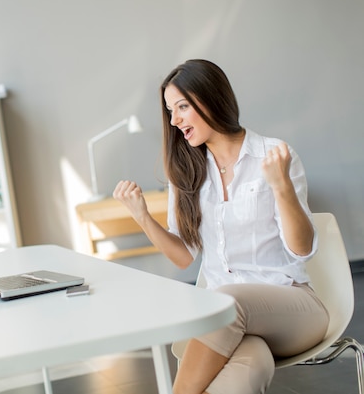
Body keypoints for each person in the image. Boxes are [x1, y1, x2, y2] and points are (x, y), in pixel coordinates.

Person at [113, 59, 329, 394]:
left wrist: (282, 187)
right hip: (229, 322)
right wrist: (142, 216)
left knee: (227, 301)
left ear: (211, 98)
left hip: (293, 308)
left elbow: (301, 247)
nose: (174, 120)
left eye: (182, 106)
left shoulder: (273, 156)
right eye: (171, 111)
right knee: (250, 368)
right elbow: (184, 257)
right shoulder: (186, 173)